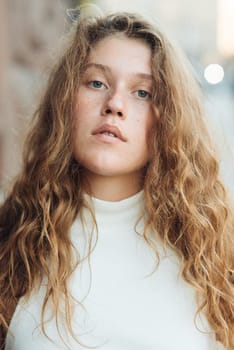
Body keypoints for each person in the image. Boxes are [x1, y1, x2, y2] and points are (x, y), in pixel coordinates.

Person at [0, 9, 233, 350]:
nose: (115, 104)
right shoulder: (12, 240)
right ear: (66, 102)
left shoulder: (213, 257)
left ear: (168, 119)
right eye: (97, 83)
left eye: (143, 93)